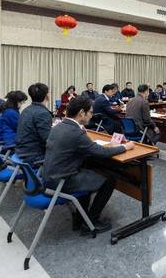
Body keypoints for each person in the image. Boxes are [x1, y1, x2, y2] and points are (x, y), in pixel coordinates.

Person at [42, 95, 128, 234]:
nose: (92, 116)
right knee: (109, 181)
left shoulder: (59, 126)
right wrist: (124, 147)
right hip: (61, 181)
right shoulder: (75, 132)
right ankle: (91, 222)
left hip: (50, 176)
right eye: (91, 112)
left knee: (88, 173)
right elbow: (102, 152)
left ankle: (80, 218)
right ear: (82, 113)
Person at [15, 83, 53, 165]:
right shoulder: (42, 113)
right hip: (34, 154)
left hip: (21, 151)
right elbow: (48, 140)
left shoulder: (26, 110)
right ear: (47, 96)